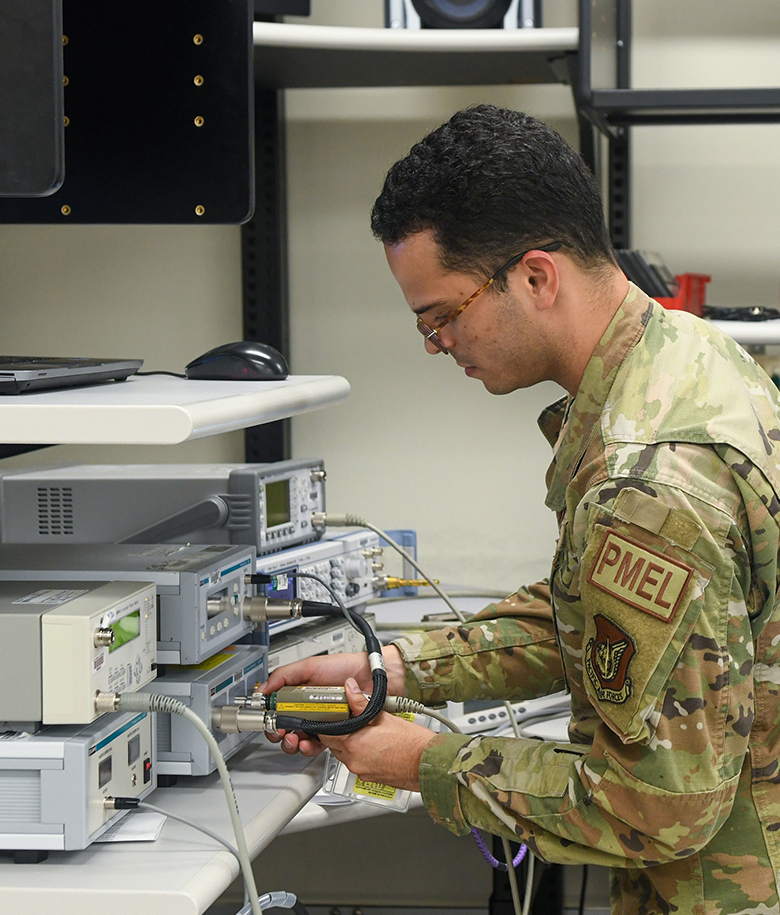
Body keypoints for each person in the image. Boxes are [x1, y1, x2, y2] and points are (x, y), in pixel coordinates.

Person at [261, 105, 780, 915]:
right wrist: (397, 671)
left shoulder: (646, 481)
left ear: (537, 276)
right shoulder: (689, 357)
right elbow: (602, 623)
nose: (436, 345)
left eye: (442, 316)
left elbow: (662, 807)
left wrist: (426, 759)